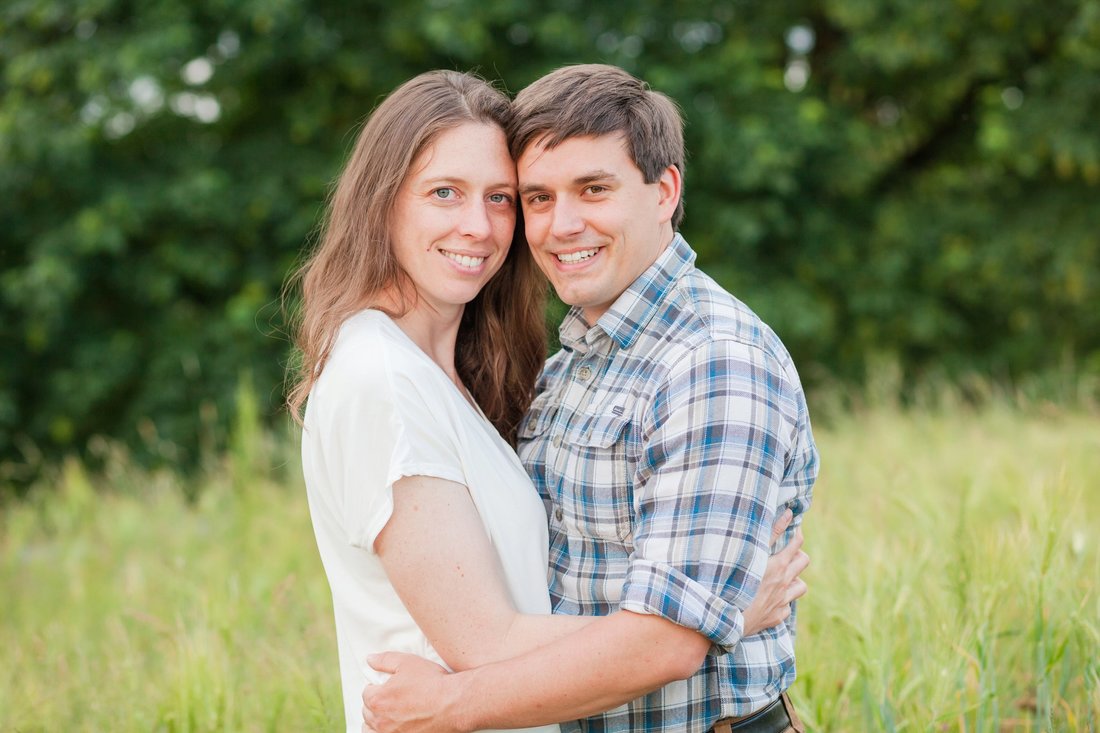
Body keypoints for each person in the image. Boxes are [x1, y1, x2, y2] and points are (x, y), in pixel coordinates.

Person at [289, 70, 805, 733]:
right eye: (446, 192)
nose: (480, 226)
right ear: (382, 201)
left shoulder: (711, 361)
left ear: (664, 192)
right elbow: (496, 636)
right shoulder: (388, 377)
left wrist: (695, 624)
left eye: (500, 198)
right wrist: (711, 617)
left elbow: (659, 636)